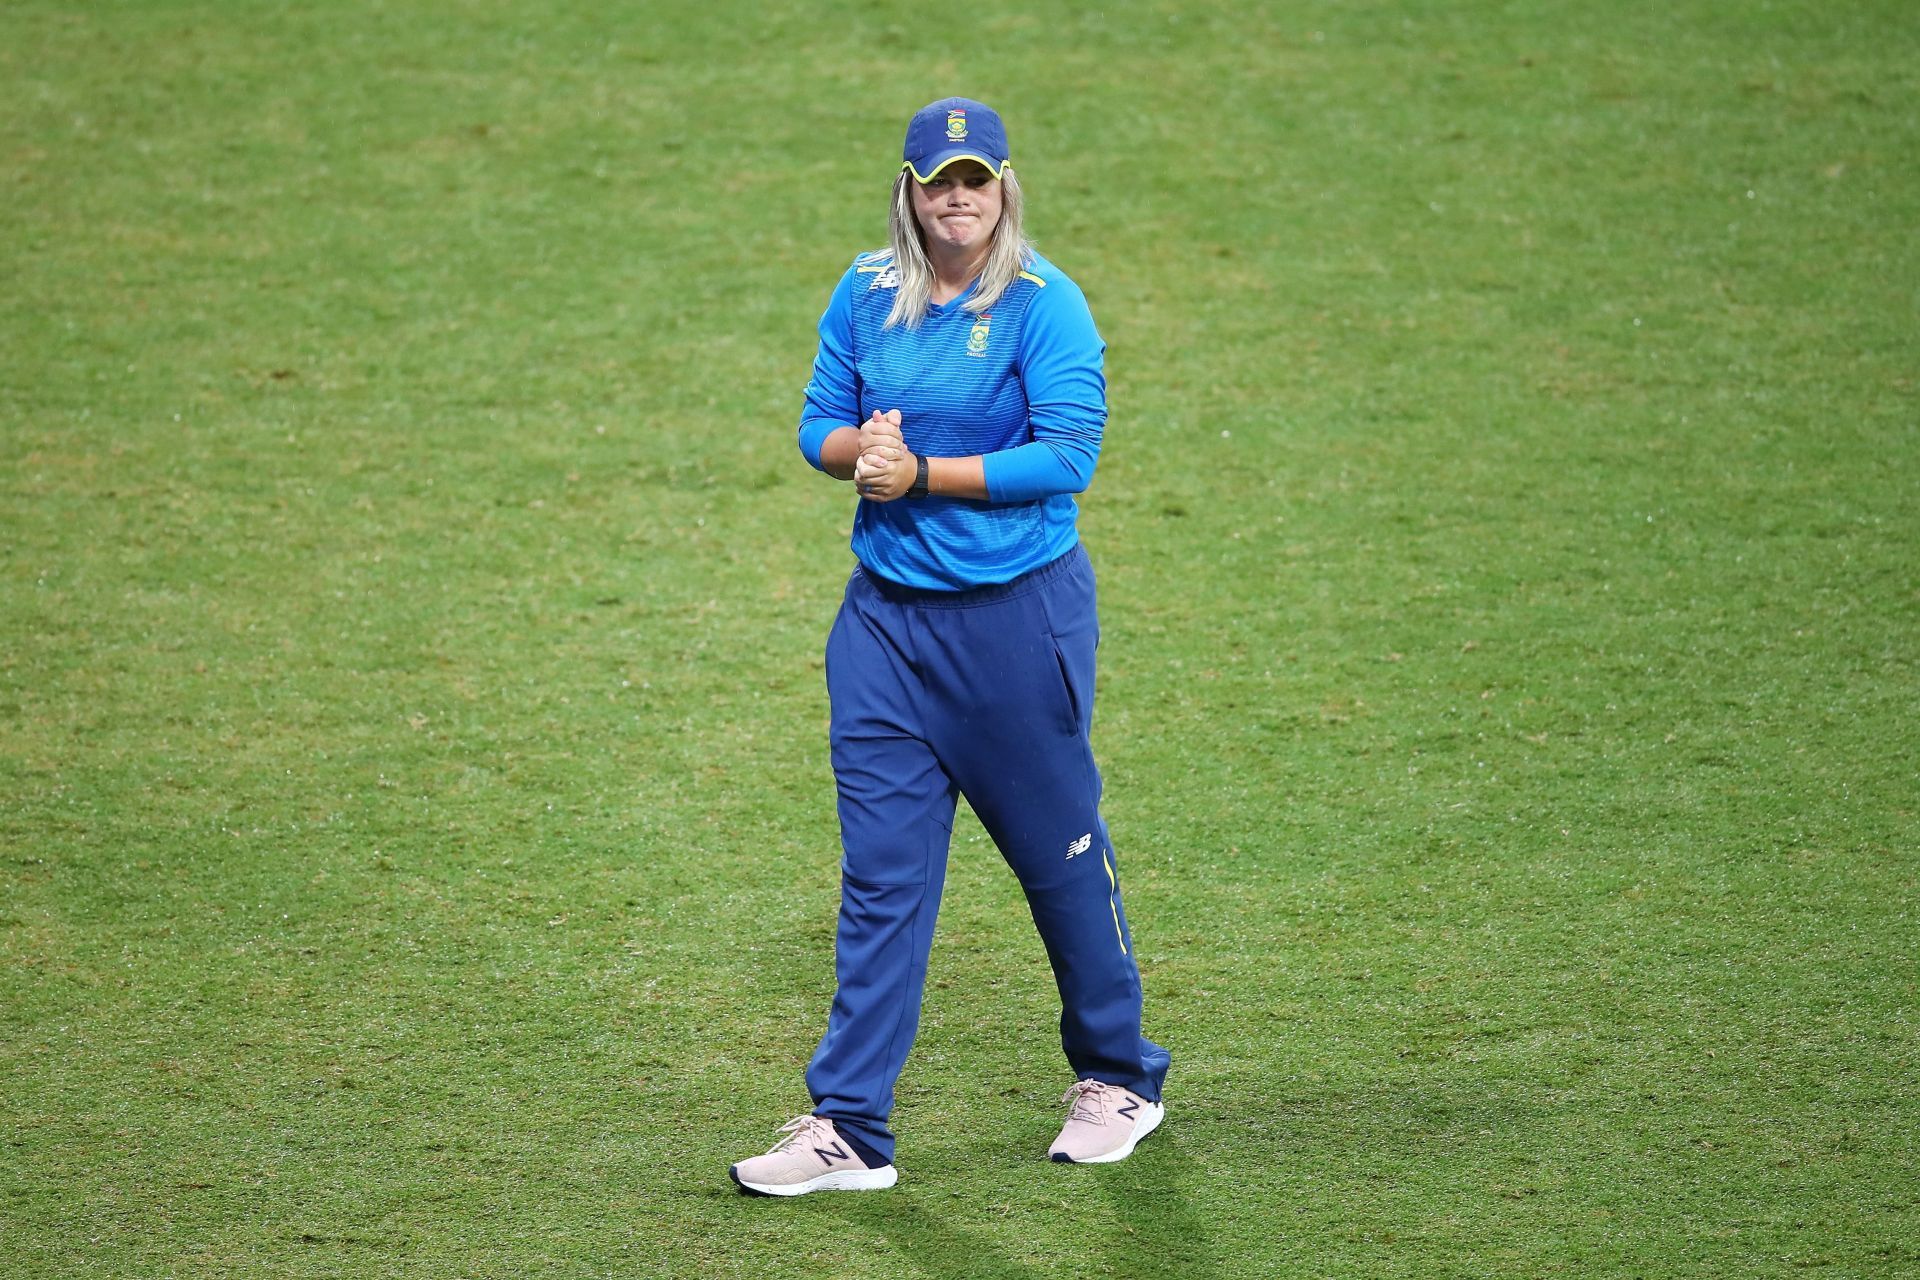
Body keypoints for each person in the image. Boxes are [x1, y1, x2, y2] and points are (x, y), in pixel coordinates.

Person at [728, 97, 1170, 1197]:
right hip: (882, 625)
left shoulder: (1043, 305)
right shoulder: (865, 291)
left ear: (1005, 186)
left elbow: (1068, 454)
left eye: (976, 178)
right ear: (909, 191)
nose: (957, 196)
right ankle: (850, 1127)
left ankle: (1120, 1076)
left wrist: (922, 472)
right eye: (938, 180)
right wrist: (857, 450)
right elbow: (817, 421)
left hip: (1015, 623)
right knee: (882, 877)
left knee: (1058, 858)